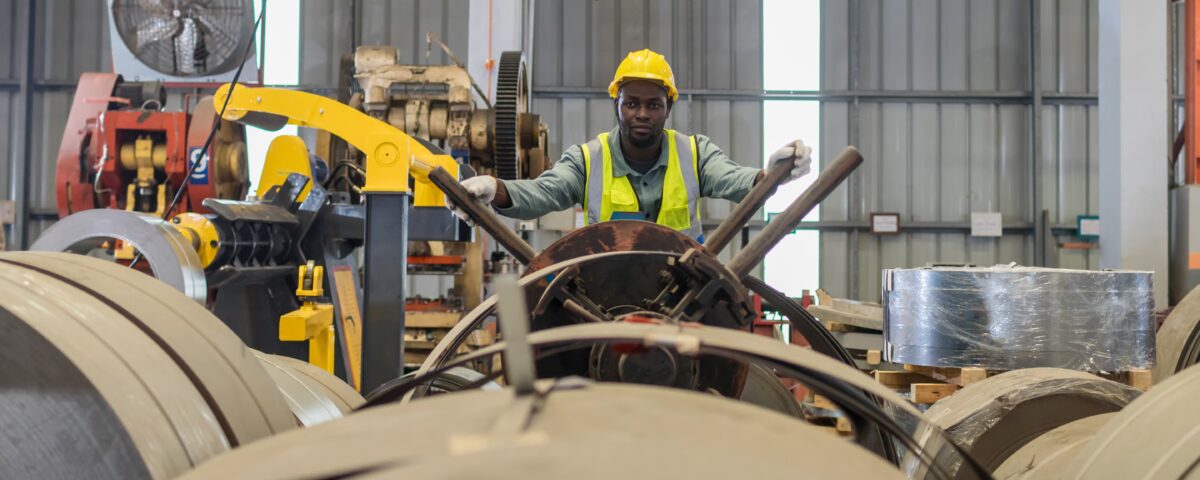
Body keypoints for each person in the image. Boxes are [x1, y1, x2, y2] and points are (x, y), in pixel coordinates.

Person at [449, 49, 811, 241]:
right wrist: (494, 188)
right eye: (631, 103)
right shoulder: (587, 160)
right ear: (616, 104)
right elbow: (542, 193)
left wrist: (770, 175)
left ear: (668, 108)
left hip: (686, 292)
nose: (641, 113)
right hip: (605, 292)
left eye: (653, 105)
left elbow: (734, 180)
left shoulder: (695, 154)